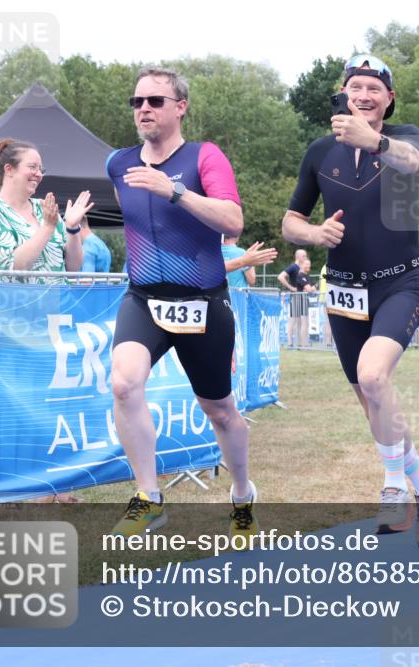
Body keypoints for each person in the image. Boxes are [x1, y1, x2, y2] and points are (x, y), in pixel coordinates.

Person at [282, 54, 419, 547]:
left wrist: (372, 140)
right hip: (344, 289)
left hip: (401, 282)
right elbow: (290, 219)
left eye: (374, 89)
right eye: (355, 87)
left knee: (376, 377)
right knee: (370, 396)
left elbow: (412, 161)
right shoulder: (319, 152)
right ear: (344, 92)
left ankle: (395, 484)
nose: (364, 95)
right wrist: (314, 232)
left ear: (388, 98)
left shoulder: (404, 138)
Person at [105, 67, 257, 542]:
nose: (143, 109)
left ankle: (242, 493)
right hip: (145, 297)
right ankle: (149, 498)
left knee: (220, 410)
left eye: (154, 101)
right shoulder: (119, 163)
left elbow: (232, 220)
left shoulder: (203, 157)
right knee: (124, 383)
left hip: (203, 301)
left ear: (180, 107)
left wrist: (175, 190)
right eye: (137, 102)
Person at [0, 139, 91, 284]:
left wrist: (72, 228)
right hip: (17, 304)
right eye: (32, 167)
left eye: (40, 170)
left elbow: (73, 268)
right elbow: (10, 269)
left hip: (57, 304)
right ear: (9, 169)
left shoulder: (44, 208)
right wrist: (48, 228)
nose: (38, 174)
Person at [278, 248, 309, 346]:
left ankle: (300, 343)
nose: (305, 258)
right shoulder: (293, 267)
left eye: (305, 256)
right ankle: (290, 343)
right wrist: (291, 288)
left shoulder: (302, 268)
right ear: (298, 257)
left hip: (302, 296)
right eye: (303, 256)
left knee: (300, 320)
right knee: (293, 319)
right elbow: (280, 277)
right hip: (295, 296)